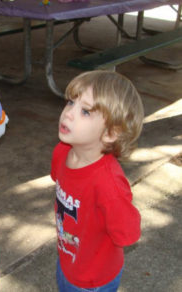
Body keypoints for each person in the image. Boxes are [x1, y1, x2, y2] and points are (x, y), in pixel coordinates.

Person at [51, 70, 143, 292]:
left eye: (85, 111)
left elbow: (128, 233)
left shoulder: (108, 185)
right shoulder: (62, 151)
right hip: (68, 261)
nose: (68, 114)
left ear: (110, 133)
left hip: (94, 280)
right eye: (71, 102)